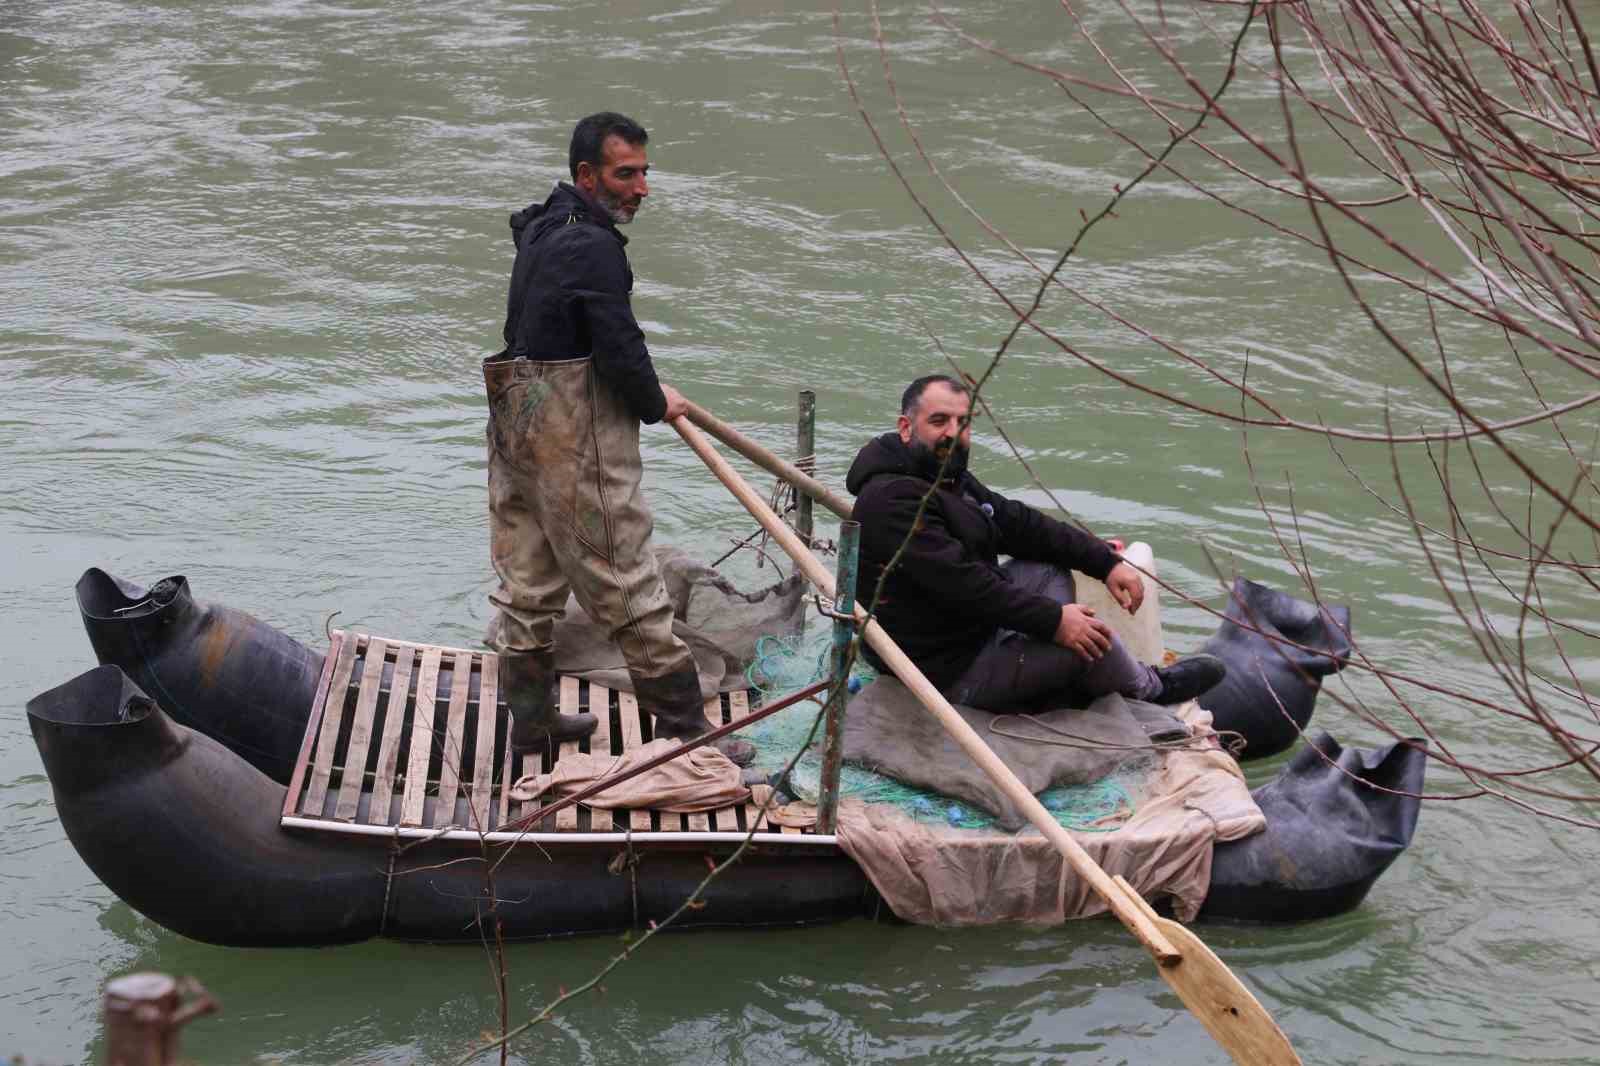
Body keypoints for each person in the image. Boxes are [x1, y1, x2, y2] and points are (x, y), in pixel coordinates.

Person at [484, 111, 751, 764]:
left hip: (513, 425)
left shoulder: (543, 225)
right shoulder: (595, 247)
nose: (641, 189)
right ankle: (686, 732)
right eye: (625, 174)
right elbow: (618, 347)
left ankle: (532, 724)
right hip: (572, 439)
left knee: (529, 583)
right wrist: (658, 402)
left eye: (643, 173)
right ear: (587, 175)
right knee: (628, 578)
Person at [846, 374, 1226, 712]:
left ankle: (1046, 670)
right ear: (906, 427)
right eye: (939, 421)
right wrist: (1055, 622)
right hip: (940, 668)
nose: (953, 433)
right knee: (1086, 642)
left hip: (965, 628)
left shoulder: (942, 475)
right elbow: (965, 585)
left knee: (1047, 567)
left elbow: (1017, 524)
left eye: (963, 423)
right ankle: (1150, 688)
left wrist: (1102, 561)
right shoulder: (891, 501)